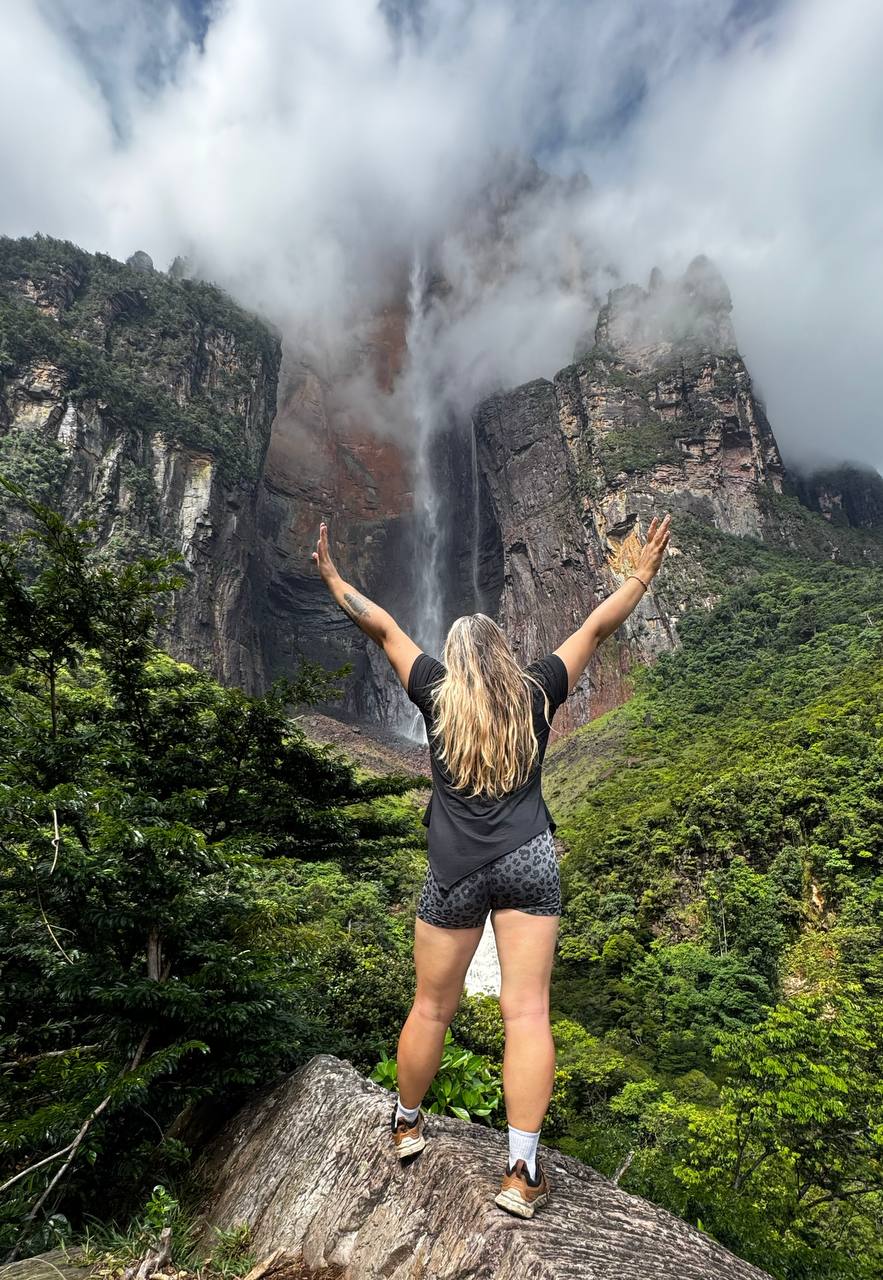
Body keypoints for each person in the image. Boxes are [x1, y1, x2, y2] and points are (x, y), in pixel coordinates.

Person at [311, 512, 672, 1218]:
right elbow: (596, 628)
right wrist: (640, 577)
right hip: (529, 861)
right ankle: (518, 1170)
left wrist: (332, 579)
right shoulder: (536, 692)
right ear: (503, 654)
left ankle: (407, 1124)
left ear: (453, 658)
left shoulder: (436, 694)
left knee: (429, 1008)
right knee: (528, 1013)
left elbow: (381, 626)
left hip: (452, 868)